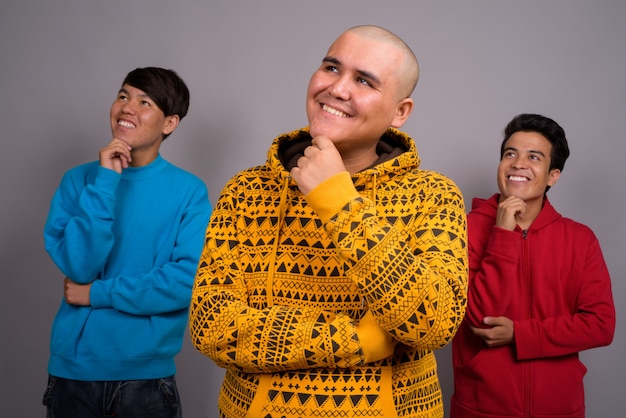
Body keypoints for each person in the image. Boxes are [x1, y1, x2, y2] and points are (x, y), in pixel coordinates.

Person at [190, 25, 468, 417]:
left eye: (364, 81)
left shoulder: (432, 196)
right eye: (332, 68)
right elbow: (211, 326)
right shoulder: (246, 191)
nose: (337, 89)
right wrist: (356, 340)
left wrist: (338, 201)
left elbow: (431, 324)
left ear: (400, 112)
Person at [42, 67, 212, 418]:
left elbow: (186, 282)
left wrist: (96, 294)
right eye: (123, 96)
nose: (127, 107)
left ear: (170, 123)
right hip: (73, 375)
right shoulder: (79, 181)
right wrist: (105, 181)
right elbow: (80, 265)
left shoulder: (189, 192)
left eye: (144, 101)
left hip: (146, 380)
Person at [450, 113, 615, 417]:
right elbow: (480, 318)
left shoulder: (580, 239)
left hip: (559, 408)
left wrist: (519, 335)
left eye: (533, 157)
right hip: (481, 408)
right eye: (509, 154)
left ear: (553, 175)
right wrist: (502, 233)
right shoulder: (462, 230)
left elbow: (601, 326)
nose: (518, 163)